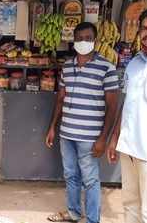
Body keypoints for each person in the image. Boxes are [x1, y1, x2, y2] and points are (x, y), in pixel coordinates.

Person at [45, 22, 120, 223]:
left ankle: (93, 219)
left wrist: (103, 138)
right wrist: (53, 126)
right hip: (67, 134)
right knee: (71, 176)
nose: (83, 42)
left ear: (94, 41)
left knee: (90, 180)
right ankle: (73, 213)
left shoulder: (107, 67)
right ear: (73, 40)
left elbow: (113, 107)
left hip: (90, 137)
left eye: (88, 38)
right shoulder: (67, 66)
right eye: (79, 38)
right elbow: (60, 98)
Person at [106, 7, 147, 223]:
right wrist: (115, 138)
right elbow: (127, 105)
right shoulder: (134, 64)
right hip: (129, 149)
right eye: (144, 28)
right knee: (130, 205)